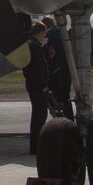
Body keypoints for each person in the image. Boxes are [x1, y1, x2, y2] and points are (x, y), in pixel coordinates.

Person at [23, 21, 53, 154]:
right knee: (39, 115)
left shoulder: (31, 45)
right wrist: (43, 85)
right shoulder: (34, 46)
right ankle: (36, 145)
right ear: (41, 32)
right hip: (38, 86)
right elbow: (38, 68)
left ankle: (35, 145)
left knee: (38, 114)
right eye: (45, 33)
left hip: (33, 84)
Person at [42, 16, 72, 115]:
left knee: (56, 99)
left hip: (55, 71)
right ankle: (69, 118)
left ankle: (61, 119)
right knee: (65, 97)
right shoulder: (64, 33)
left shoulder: (48, 34)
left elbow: (44, 49)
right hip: (66, 70)